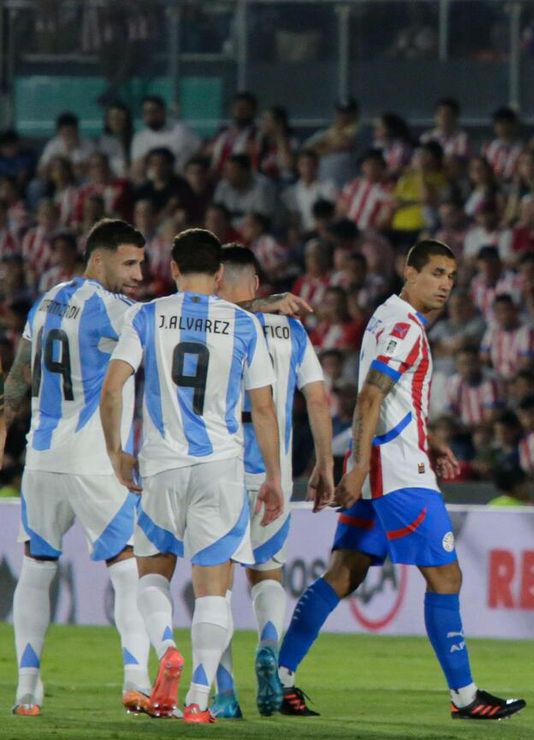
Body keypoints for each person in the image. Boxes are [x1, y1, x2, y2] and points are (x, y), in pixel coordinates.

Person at [271, 240, 526, 721]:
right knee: (446, 575)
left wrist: (420, 441)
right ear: (408, 272)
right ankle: (466, 697)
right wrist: (361, 467)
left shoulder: (385, 319)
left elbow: (387, 402)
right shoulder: (406, 327)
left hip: (387, 464)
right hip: (399, 475)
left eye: (451, 274)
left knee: (346, 571)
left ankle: (279, 679)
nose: (446, 283)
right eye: (435, 272)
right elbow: (368, 398)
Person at [99, 228, 286, 724]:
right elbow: (264, 409)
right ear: (221, 275)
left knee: (152, 574)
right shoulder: (246, 326)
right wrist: (273, 476)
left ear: (174, 269)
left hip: (160, 467)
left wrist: (117, 452)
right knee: (214, 589)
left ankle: (167, 651)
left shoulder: (147, 315)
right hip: (221, 469)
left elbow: (113, 389)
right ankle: (200, 699)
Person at [5, 220, 151, 716]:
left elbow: (20, 373)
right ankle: (136, 679)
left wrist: (4, 424)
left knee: (37, 566)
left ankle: (27, 685)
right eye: (129, 263)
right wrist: (253, 307)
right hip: (95, 462)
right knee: (128, 569)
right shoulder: (116, 309)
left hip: (41, 460)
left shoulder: (46, 302)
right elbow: (177, 322)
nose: (138, 274)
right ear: (99, 257)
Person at [208, 246, 335, 719]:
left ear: (215, 280)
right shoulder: (293, 330)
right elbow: (318, 400)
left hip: (219, 466)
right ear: (257, 285)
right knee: (268, 572)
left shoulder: (210, 323)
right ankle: (267, 644)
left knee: (213, 583)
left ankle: (224, 691)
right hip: (274, 472)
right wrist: (324, 464)